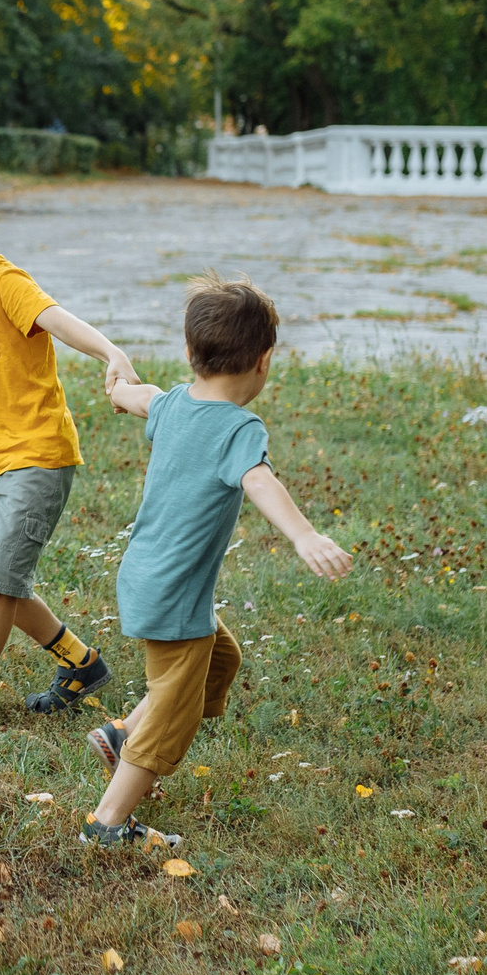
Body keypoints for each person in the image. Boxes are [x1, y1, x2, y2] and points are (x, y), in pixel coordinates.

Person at [79, 274, 354, 848]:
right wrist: (303, 535)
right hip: (175, 593)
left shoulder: (173, 403)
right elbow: (259, 479)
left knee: (221, 661)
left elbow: (134, 396)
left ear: (189, 352)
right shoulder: (239, 427)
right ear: (264, 361)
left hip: (148, 579)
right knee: (172, 718)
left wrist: (118, 382)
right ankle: (108, 823)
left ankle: (121, 730)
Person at [0, 162, 138, 735]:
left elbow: (57, 320)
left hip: (38, 454)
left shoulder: (6, 283)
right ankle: (83, 666)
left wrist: (111, 353)